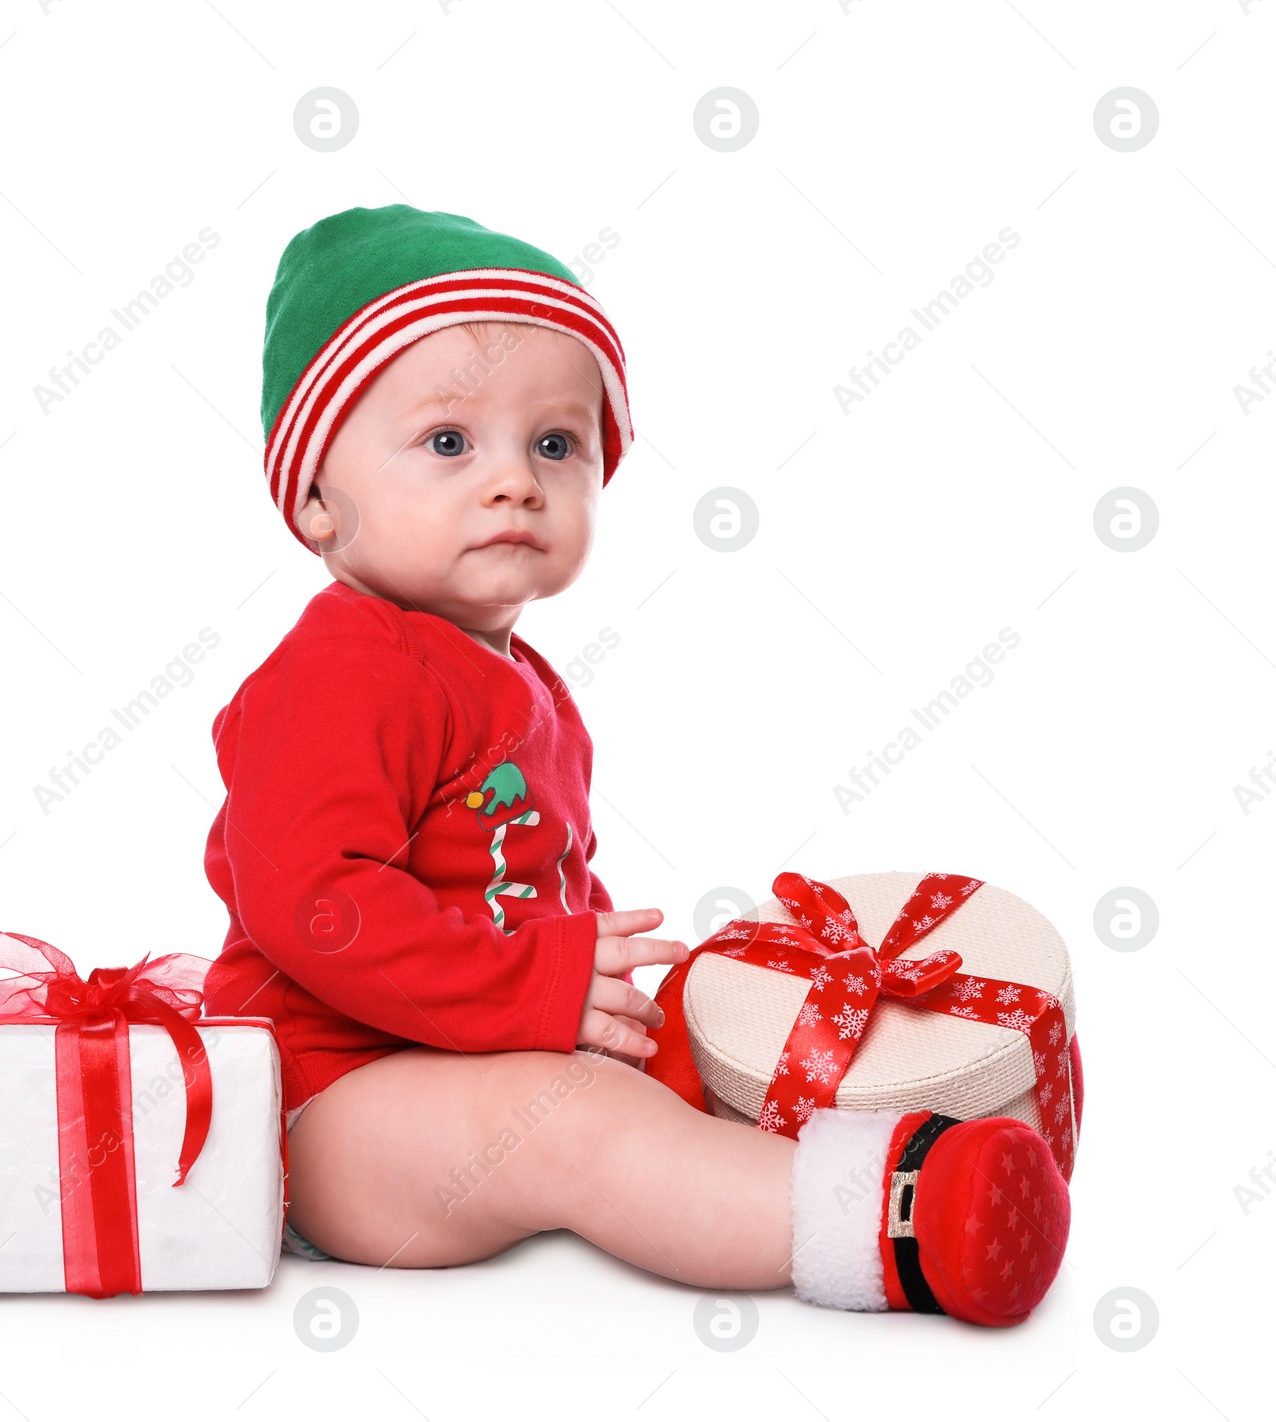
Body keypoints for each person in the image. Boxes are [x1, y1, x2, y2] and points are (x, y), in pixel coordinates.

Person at [200, 204, 1069, 1326]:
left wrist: (617, 1006)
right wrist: (544, 988)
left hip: (464, 1064)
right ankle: (901, 1225)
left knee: (687, 1054)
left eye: (554, 444)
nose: (514, 480)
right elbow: (307, 902)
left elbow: (536, 888)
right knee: (574, 1125)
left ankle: (937, 1128)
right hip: (327, 1104)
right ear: (317, 498)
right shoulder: (341, 670)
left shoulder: (516, 679)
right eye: (450, 442)